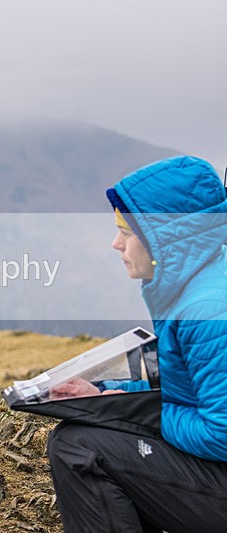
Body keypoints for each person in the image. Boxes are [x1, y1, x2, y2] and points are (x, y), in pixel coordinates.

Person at [46, 155, 227, 532]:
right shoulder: (198, 283)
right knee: (78, 435)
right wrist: (102, 393)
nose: (116, 244)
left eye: (127, 234)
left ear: (166, 242)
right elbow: (186, 391)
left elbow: (221, 434)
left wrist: (139, 416)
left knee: (79, 448)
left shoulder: (207, 310)